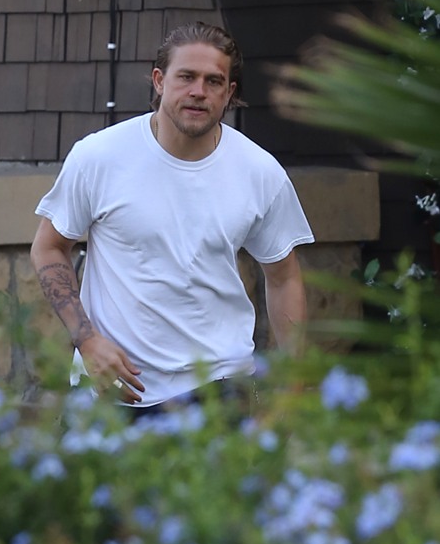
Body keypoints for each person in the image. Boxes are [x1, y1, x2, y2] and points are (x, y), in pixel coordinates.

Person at [31, 22, 314, 412]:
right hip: (111, 390)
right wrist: (87, 340)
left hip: (218, 388)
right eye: (186, 77)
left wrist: (294, 389)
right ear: (159, 81)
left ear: (229, 92)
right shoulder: (99, 157)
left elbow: (284, 278)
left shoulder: (260, 171)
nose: (199, 91)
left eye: (213, 81)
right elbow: (48, 248)